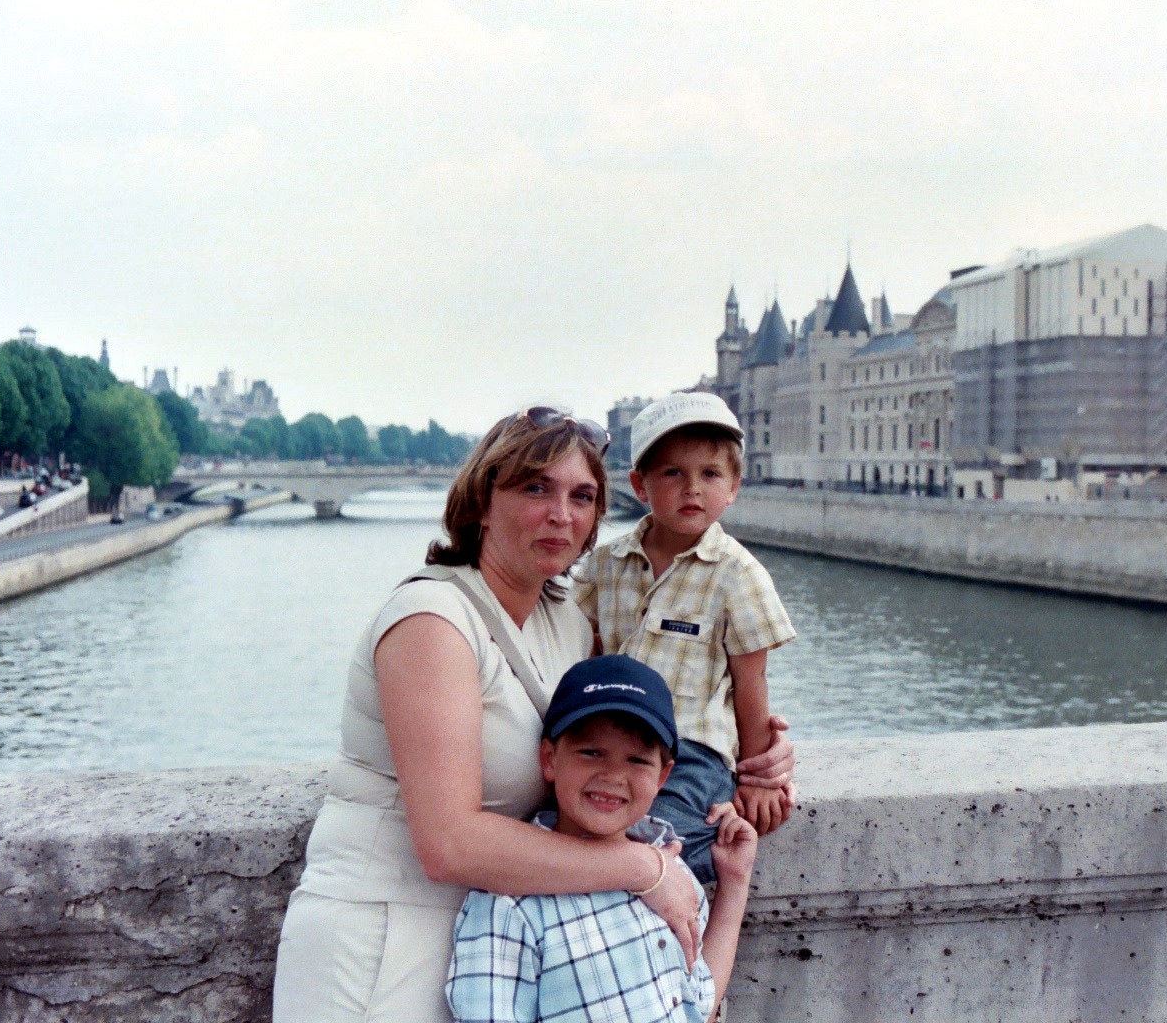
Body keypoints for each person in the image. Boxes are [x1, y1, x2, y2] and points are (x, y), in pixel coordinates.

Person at [272, 407, 794, 1022]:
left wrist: (755, 759)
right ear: (481, 502)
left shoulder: (566, 622)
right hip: (382, 939)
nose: (561, 514)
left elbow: (630, 728)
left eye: (582, 497)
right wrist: (647, 866)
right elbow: (448, 842)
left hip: (500, 938)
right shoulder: (432, 621)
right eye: (535, 488)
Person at [446, 655, 757, 1023]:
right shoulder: (509, 904)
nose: (613, 776)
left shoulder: (672, 874)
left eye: (637, 760)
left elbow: (700, 1004)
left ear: (662, 776)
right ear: (550, 759)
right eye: (592, 753)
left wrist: (735, 880)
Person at [574, 392, 796, 883]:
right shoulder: (605, 565)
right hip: (609, 740)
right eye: (673, 473)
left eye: (710, 474)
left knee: (662, 833)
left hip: (690, 750)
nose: (692, 489)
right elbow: (587, 652)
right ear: (640, 485)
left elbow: (751, 683)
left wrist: (757, 777)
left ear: (733, 487)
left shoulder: (738, 574)